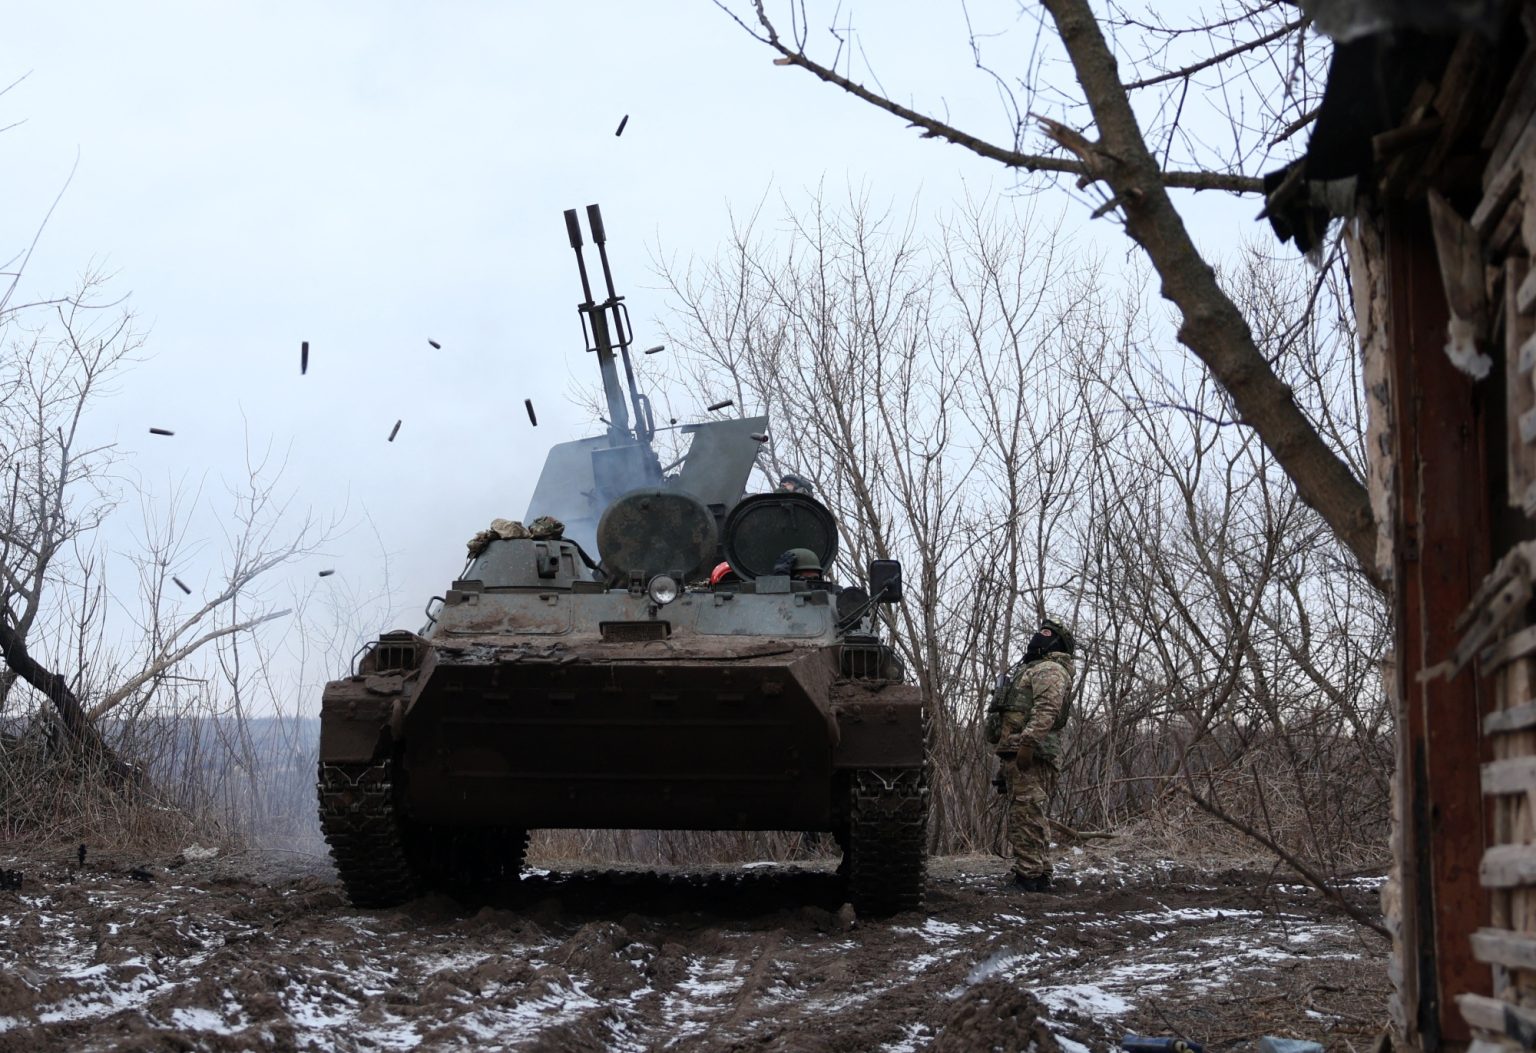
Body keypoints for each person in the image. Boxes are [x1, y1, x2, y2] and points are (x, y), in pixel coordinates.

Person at [984, 615, 1077, 892]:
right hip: (1019, 753)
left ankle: (1029, 877)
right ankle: (1038, 872)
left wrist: (1028, 744)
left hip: (1032, 755)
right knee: (1029, 814)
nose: (1041, 636)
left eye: (1048, 634)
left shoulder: (1049, 669)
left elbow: (1047, 709)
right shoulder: (1031, 670)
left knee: (1026, 814)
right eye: (1041, 632)